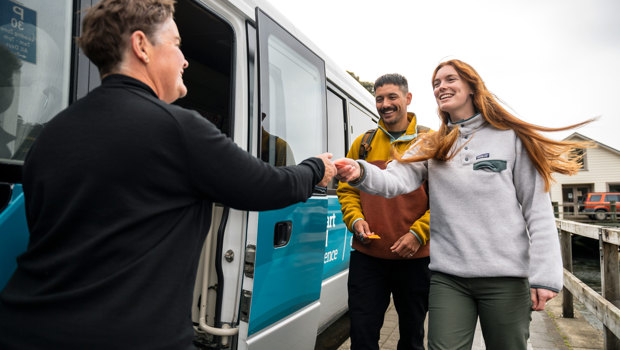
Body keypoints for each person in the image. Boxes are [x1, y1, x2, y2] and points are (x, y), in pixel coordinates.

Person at [0, 0, 336, 349]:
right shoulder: (179, 129)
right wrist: (316, 167)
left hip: (24, 328)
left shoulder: (50, 134)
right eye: (176, 44)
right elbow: (269, 186)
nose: (185, 59)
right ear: (142, 45)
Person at [335, 59, 593, 350]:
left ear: (471, 86)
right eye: (436, 83)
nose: (441, 87)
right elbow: (394, 181)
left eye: (449, 80)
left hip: (505, 277)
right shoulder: (433, 144)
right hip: (449, 278)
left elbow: (538, 211)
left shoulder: (511, 138)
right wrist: (361, 172)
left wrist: (544, 276)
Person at [337, 73, 431, 350]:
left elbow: (446, 202)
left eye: (392, 97)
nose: (385, 104)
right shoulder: (363, 144)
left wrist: (418, 233)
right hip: (368, 257)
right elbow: (348, 190)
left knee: (413, 337)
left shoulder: (430, 142)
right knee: (362, 334)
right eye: (380, 98)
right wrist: (355, 220)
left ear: (408, 99)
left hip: (416, 258)